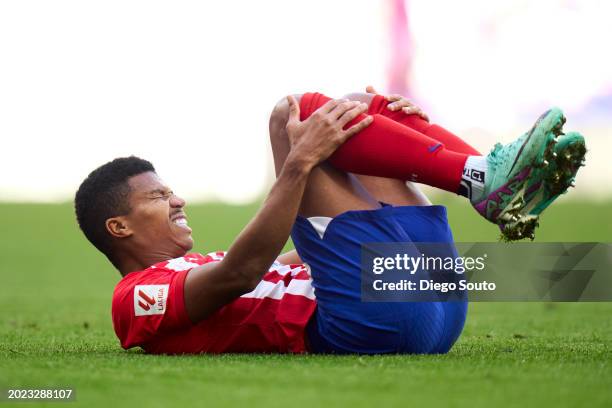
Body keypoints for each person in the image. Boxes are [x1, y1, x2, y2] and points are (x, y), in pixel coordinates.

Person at [74, 88, 585, 354]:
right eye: (159, 196)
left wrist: (386, 130)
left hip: (427, 300)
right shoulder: (136, 297)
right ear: (119, 227)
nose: (178, 199)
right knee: (295, 113)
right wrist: (298, 162)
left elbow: (285, 260)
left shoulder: (199, 266)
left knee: (359, 110)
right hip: (373, 319)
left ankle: (495, 181)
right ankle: (485, 180)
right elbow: (240, 272)